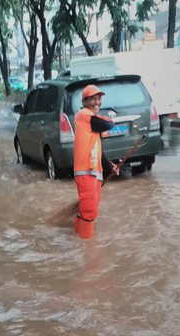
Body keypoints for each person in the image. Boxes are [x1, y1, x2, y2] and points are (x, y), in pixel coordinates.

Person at [73, 85, 119, 239]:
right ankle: (87, 250)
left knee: (89, 210)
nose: (97, 102)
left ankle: (79, 241)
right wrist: (111, 117)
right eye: (93, 99)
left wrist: (110, 166)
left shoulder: (90, 122)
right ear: (85, 101)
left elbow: (98, 151)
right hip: (86, 172)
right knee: (89, 212)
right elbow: (108, 124)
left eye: (99, 99)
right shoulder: (84, 114)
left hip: (93, 172)